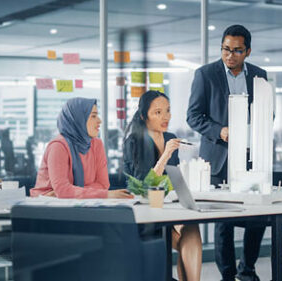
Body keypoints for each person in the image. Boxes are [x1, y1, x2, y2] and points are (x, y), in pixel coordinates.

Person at [186, 24, 268, 281]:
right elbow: (193, 116)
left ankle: (248, 271)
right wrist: (220, 131)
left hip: (251, 157)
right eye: (225, 49)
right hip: (219, 156)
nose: (229, 55)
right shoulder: (205, 74)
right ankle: (228, 275)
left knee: (257, 217)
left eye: (236, 50)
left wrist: (258, 126)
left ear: (248, 51)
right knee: (224, 223)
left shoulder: (259, 75)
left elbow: (268, 111)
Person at [123, 90, 202, 281]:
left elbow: (172, 178)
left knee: (191, 228)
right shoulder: (135, 141)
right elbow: (144, 187)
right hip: (144, 215)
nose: (165, 116)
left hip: (167, 209)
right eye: (157, 112)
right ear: (144, 116)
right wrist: (165, 155)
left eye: (167, 111)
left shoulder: (170, 137)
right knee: (185, 233)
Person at [30, 97, 132, 199]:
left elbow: (103, 184)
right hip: (46, 206)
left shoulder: (97, 144)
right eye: (93, 116)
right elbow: (62, 190)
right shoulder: (58, 146)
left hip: (77, 203)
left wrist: (68, 191)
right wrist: (65, 191)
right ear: (78, 119)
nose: (99, 120)